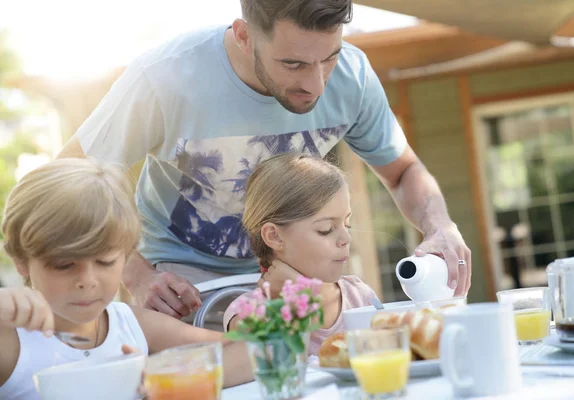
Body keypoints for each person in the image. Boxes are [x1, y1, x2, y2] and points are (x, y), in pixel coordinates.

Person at [57, 0, 471, 320]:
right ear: (244, 36)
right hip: (181, 283)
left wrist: (439, 224)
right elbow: (67, 182)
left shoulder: (354, 77)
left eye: (329, 57)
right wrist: (137, 274)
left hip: (296, 271)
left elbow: (403, 173)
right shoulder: (164, 77)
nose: (316, 84)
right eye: (293, 64)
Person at [0, 158, 252, 400]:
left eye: (105, 262)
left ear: (127, 256)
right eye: (64, 265)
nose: (87, 280)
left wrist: (159, 380)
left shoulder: (130, 325)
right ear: (21, 261)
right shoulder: (12, 341)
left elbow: (250, 351)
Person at [223, 153, 377, 355]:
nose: (345, 238)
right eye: (326, 228)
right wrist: (298, 302)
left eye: (346, 223)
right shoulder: (249, 313)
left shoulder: (359, 296)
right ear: (274, 237)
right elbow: (280, 366)